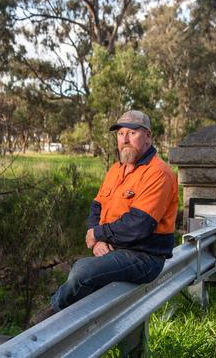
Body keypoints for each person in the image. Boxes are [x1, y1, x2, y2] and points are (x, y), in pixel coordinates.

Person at [30, 110, 178, 325]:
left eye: (132, 133)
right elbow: (97, 207)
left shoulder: (158, 173)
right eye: (120, 134)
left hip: (144, 256)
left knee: (82, 271)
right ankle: (76, 326)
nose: (124, 139)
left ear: (148, 136)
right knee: (80, 272)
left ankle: (49, 319)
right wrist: (98, 239)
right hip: (115, 247)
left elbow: (139, 225)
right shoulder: (116, 170)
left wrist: (98, 234)